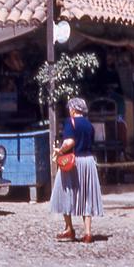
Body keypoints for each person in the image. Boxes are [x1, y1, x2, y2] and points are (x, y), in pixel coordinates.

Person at [50, 97, 103, 244]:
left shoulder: (70, 122)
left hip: (73, 162)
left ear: (73, 109)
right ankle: (88, 232)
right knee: (86, 195)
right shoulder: (89, 125)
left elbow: (70, 142)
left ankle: (69, 228)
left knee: (64, 191)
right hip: (88, 161)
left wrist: (59, 150)